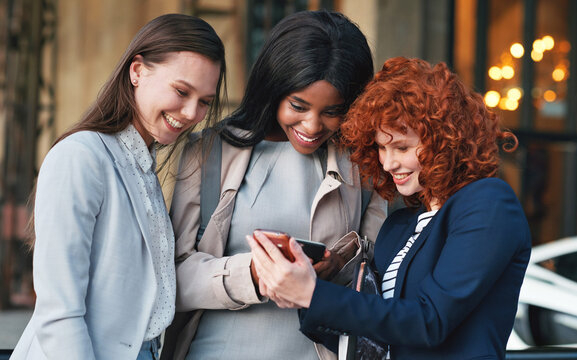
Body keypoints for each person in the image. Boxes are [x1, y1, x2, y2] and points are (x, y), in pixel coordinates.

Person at [248, 57, 532, 359]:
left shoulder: (488, 202)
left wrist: (314, 295)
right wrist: (305, 284)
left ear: (444, 141)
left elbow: (430, 321)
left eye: (402, 147)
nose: (388, 162)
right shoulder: (400, 225)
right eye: (381, 148)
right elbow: (376, 338)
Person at [162, 9, 388, 360]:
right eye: (298, 105)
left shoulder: (362, 166)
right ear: (273, 88)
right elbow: (170, 280)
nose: (312, 126)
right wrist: (253, 275)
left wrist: (333, 272)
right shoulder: (208, 154)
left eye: (332, 111)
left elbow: (375, 280)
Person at [11, 13, 226, 360]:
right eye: (182, 91)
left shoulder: (143, 166)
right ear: (137, 71)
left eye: (204, 101)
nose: (190, 113)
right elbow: (59, 314)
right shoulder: (81, 157)